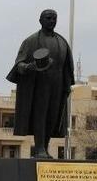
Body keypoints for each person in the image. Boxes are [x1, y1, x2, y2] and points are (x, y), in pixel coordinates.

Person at [6, 9, 75, 159]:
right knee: (40, 116)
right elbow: (19, 65)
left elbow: (66, 67)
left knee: (53, 116)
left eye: (54, 18)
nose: (52, 21)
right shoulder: (31, 41)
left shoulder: (62, 42)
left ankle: (45, 146)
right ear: (41, 20)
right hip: (39, 85)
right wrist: (30, 66)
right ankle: (39, 149)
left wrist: (67, 85)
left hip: (57, 85)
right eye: (49, 18)